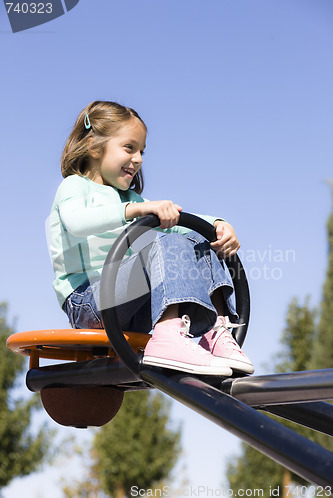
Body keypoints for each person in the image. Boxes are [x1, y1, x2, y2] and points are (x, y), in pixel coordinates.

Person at [48, 100, 254, 376]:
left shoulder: (130, 200)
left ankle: (215, 332)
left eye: (142, 151)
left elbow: (182, 227)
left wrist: (217, 224)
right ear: (94, 147)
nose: (139, 159)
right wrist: (136, 209)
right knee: (162, 243)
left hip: (128, 308)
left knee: (197, 242)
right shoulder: (74, 187)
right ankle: (168, 336)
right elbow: (77, 222)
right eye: (129, 147)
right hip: (87, 303)